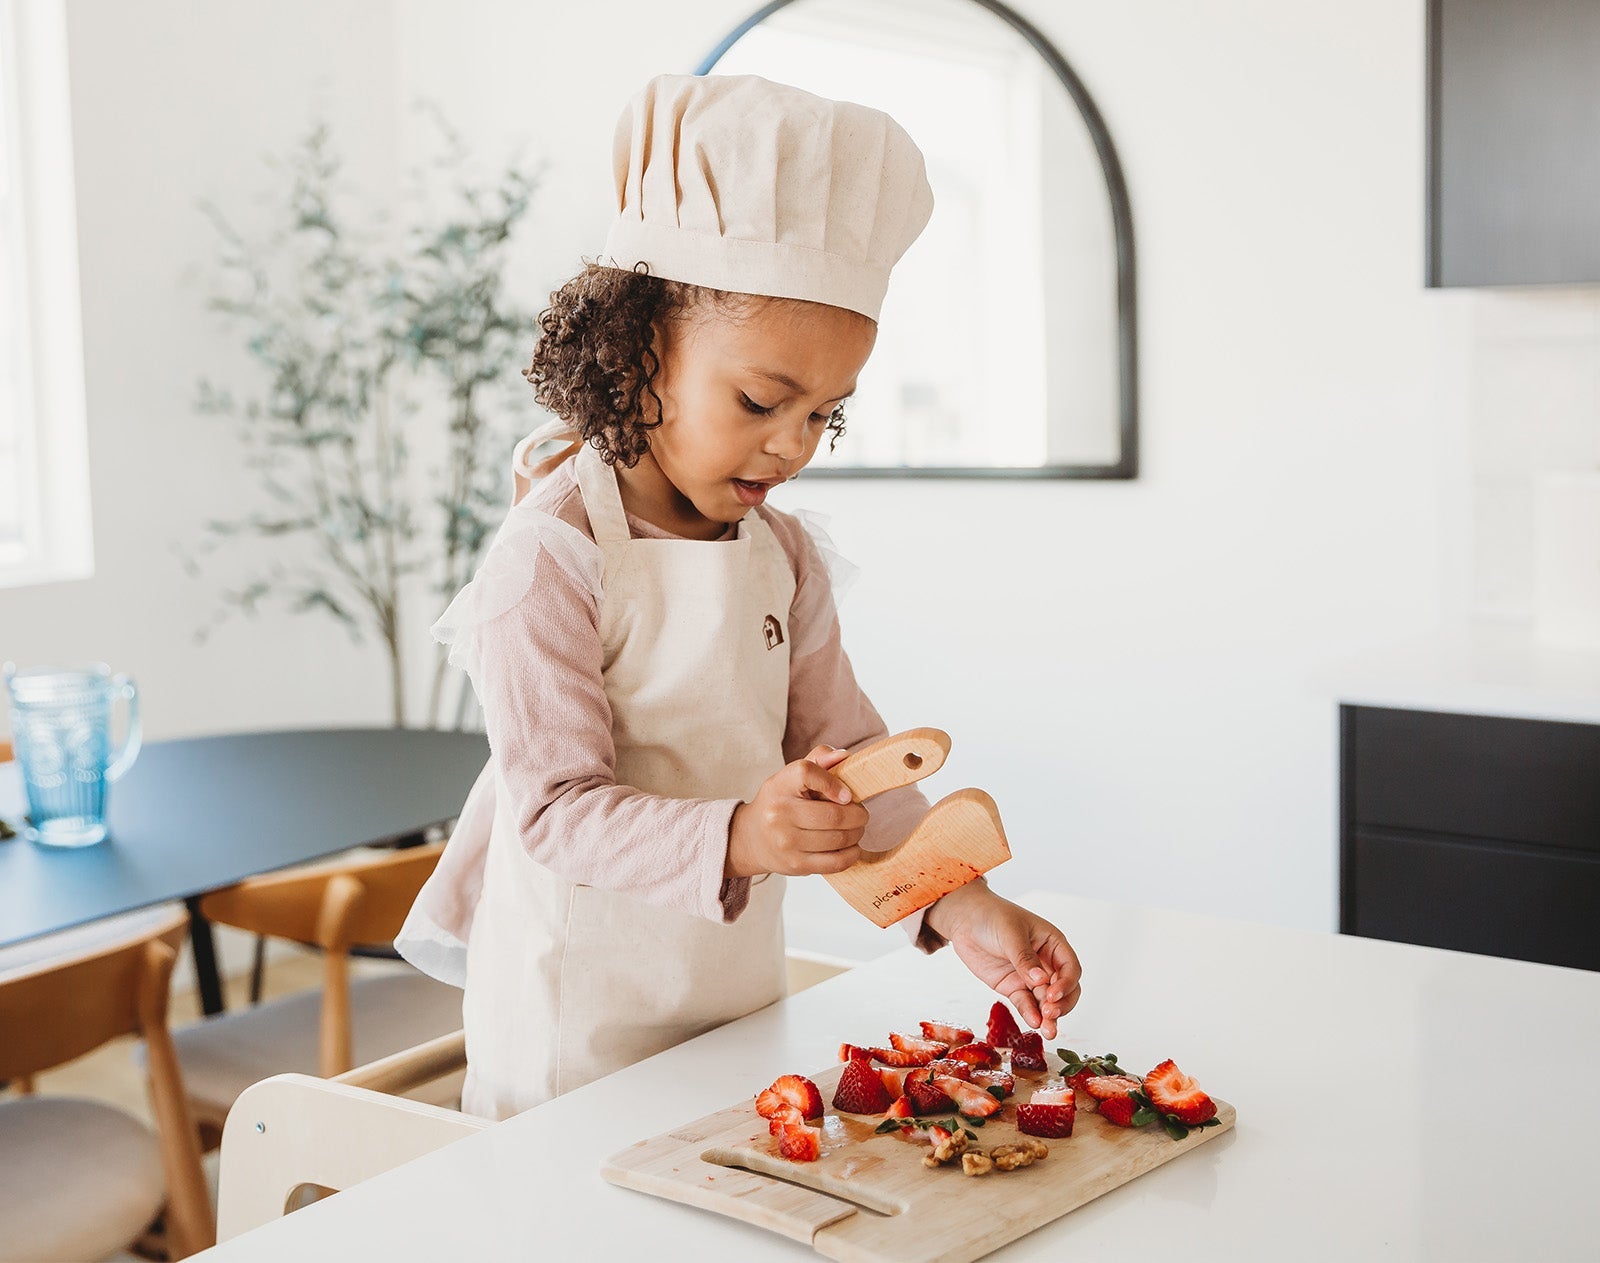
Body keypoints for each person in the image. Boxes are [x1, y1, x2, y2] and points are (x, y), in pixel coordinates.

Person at [396, 72, 1081, 1121]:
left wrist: (963, 905)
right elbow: (554, 813)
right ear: (635, 354)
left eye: (825, 414)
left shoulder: (784, 557)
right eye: (763, 400)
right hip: (571, 1021)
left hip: (730, 1000)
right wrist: (742, 839)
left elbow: (855, 759)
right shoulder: (550, 559)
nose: (793, 444)